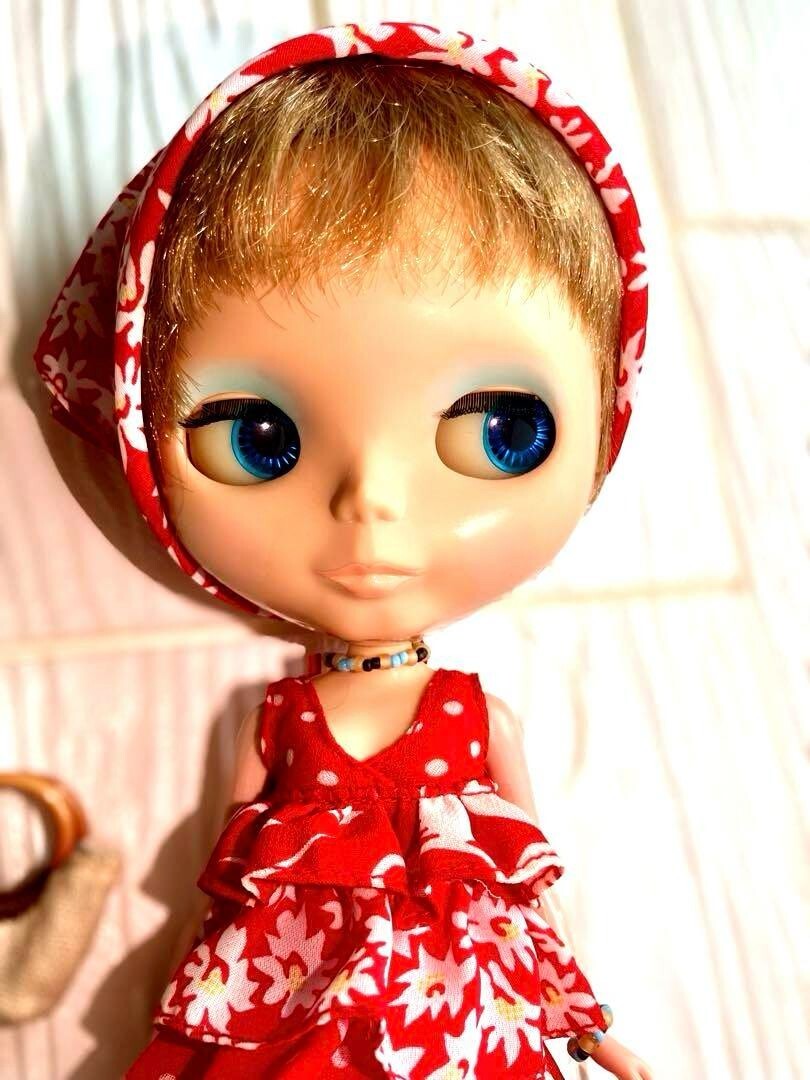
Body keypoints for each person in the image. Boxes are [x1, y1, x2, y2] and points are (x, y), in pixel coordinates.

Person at [33, 21, 651, 1080]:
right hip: (295, 1024)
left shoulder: (476, 719)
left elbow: (527, 893)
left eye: (502, 429)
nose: (369, 504)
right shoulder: (275, 724)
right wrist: (182, 1022)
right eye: (256, 437)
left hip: (461, 1028)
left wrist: (587, 1027)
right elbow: (224, 891)